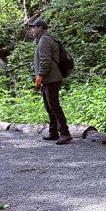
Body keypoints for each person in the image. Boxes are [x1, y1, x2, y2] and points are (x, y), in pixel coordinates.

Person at [28, 17, 71, 145]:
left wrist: (40, 76)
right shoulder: (42, 39)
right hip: (49, 78)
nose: (32, 29)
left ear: (40, 28)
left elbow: (45, 61)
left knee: (54, 106)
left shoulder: (45, 40)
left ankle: (65, 133)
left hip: (51, 78)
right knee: (49, 106)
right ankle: (53, 132)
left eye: (34, 27)